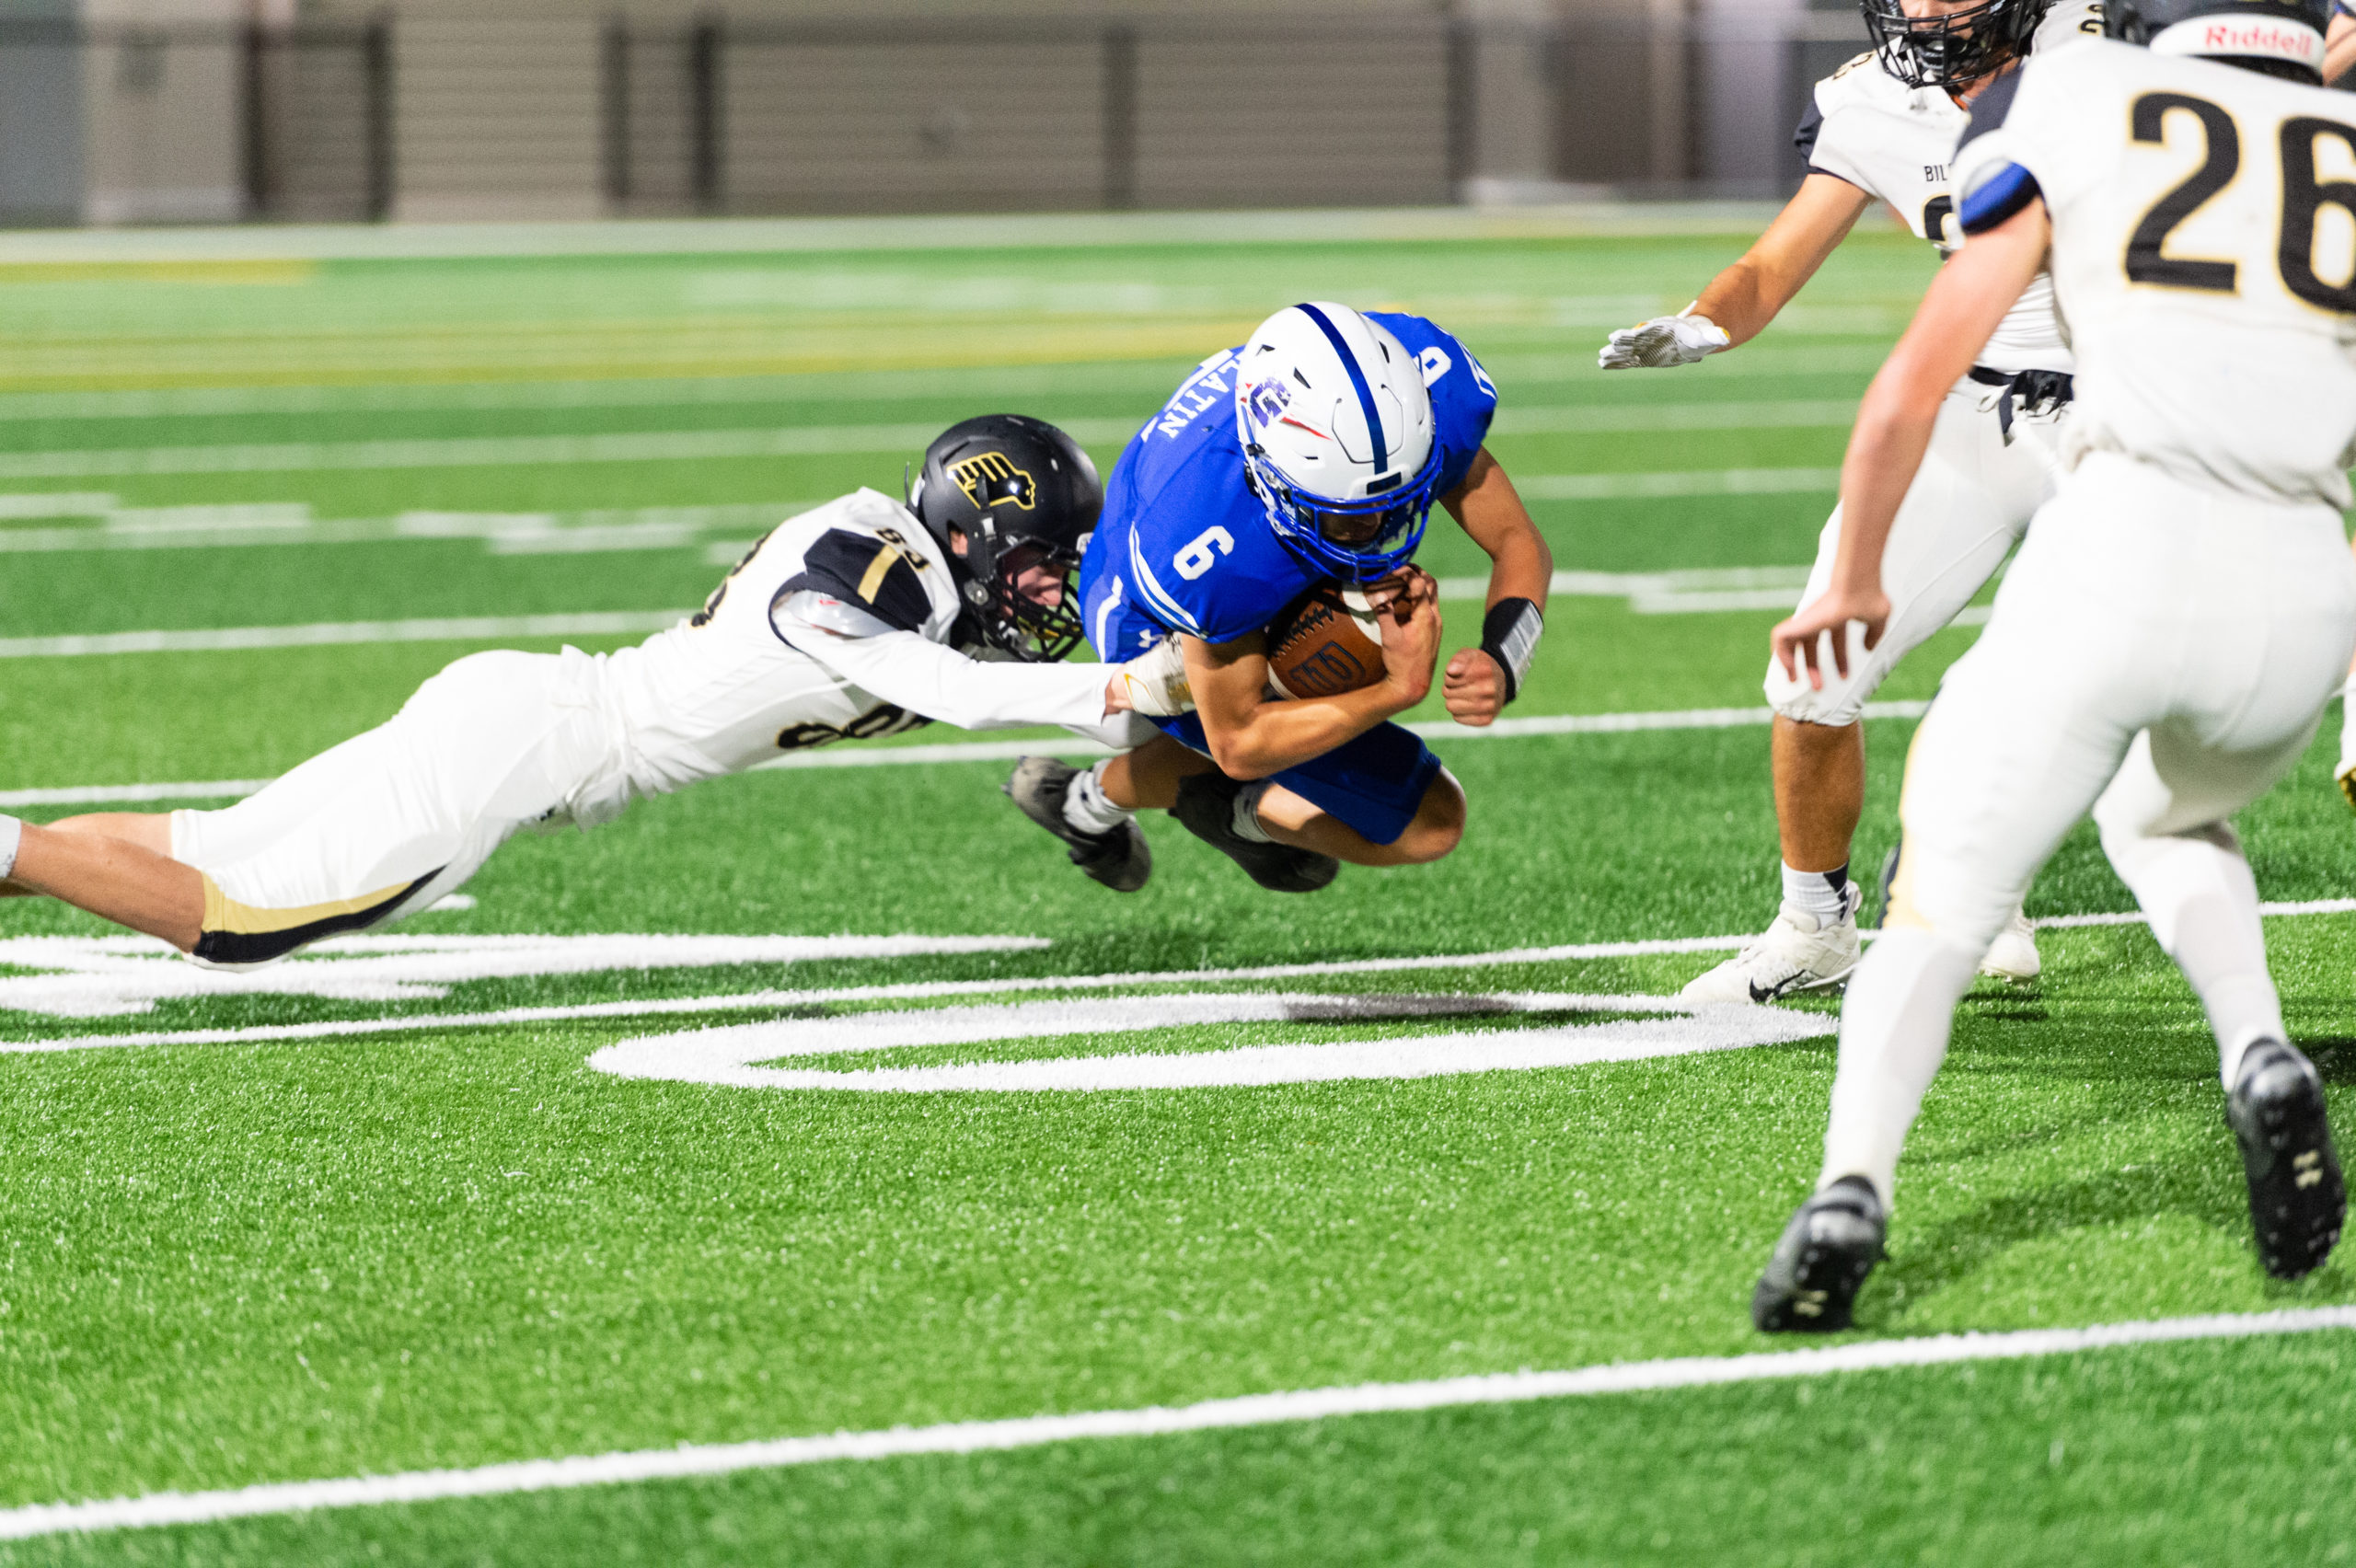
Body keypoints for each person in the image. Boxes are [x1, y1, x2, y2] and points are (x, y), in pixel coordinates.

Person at [1750, 0, 2356, 1332]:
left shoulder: (2081, 98)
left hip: (2133, 538)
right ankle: (2255, 1047)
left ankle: (1852, 1186)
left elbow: (1921, 370)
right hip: (2308, 587)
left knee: (1945, 903)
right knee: (2167, 812)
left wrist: (1854, 569)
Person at [0, 416, 1176, 966]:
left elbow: (1028, 681)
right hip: (533, 743)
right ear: (970, 528)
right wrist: (1127, 682)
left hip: (524, 718)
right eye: (1034, 560)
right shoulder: (859, 563)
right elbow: (950, 691)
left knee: (209, 840)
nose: (1046, 589)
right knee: (233, 918)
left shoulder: (925, 578)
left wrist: (1184, 696)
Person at [1604, 0, 2104, 1004]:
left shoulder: (2104, 44)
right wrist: (1706, 323)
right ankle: (1814, 926)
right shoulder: (1872, 99)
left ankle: (1973, 867)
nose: (1921, 9)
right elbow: (1772, 263)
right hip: (1969, 404)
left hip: (2124, 410)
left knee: (2101, 680)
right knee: (1810, 675)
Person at [1003, 301, 1552, 894]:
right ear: (1269, 476)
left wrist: (1503, 658)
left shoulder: (1421, 394)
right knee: (1429, 822)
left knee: (1323, 663)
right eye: (1348, 516)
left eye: (1395, 502)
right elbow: (1240, 741)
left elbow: (1519, 541)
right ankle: (1236, 817)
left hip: (1242, 533)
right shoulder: (1206, 543)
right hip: (1141, 608)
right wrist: (1399, 687)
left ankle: (1081, 805)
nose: (1376, 528)